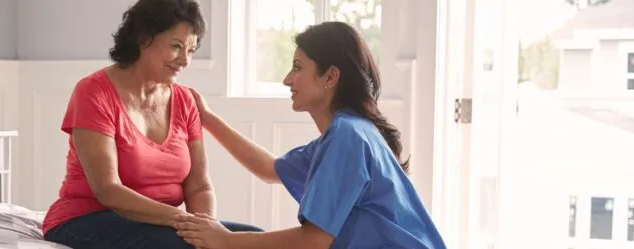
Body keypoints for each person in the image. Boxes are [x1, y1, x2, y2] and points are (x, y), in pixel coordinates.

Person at [174, 21, 447, 249]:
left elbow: (315, 240)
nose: (287, 79)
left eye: (297, 67)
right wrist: (208, 119)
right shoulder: (347, 132)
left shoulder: (347, 137)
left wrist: (228, 241)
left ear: (330, 77)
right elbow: (269, 168)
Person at [41, 0, 263, 248]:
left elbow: (199, 185)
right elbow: (107, 189)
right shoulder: (93, 92)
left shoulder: (185, 100)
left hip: (159, 224)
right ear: (144, 38)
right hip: (85, 219)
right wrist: (183, 221)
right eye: (176, 46)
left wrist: (204, 228)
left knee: (255, 238)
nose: (185, 60)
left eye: (190, 50)